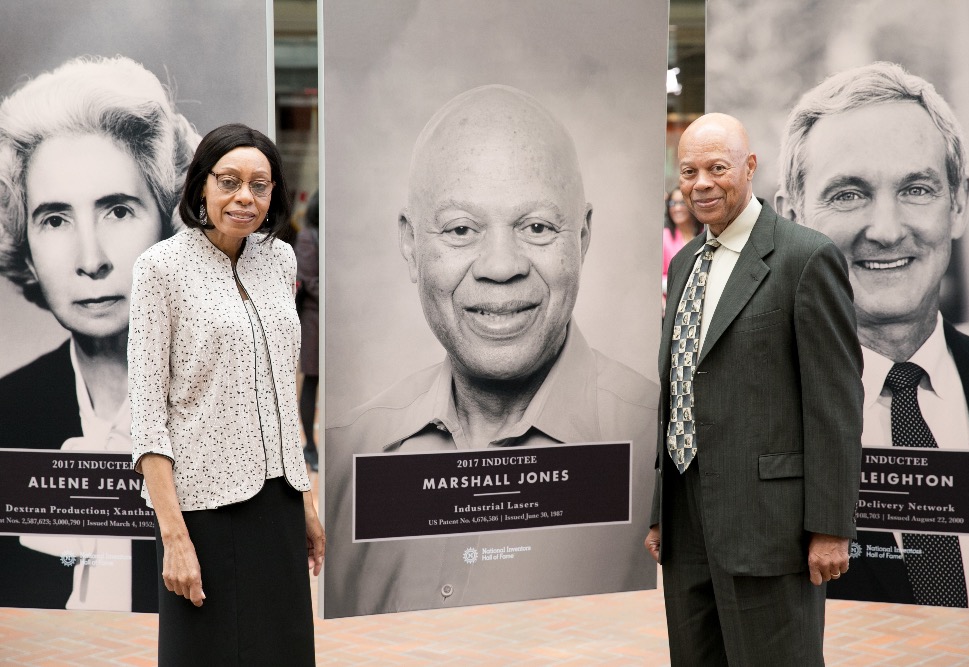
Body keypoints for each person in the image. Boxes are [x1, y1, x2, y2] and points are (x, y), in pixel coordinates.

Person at [325, 84, 659, 616]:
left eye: (537, 227)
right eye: (461, 229)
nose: (501, 266)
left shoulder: (661, 444)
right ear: (412, 245)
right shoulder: (347, 457)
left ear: (584, 237)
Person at [775, 61, 969, 609]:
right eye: (848, 195)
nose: (887, 229)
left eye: (917, 188)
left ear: (959, 204)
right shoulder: (746, 418)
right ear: (791, 220)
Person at [645, 112, 863, 666]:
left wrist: (832, 529)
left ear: (749, 167)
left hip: (769, 525)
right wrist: (659, 509)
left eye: (717, 168)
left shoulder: (804, 258)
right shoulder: (688, 260)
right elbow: (678, 388)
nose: (701, 183)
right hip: (687, 518)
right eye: (689, 170)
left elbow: (835, 406)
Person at [0, 55, 200, 612]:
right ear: (28, 248)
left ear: (169, 222)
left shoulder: (229, 407)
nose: (91, 260)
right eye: (55, 219)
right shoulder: (7, 414)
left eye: (117, 211)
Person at [128, 123, 324, 665]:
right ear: (201, 188)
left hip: (278, 501)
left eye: (260, 186)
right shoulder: (160, 269)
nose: (245, 197)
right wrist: (174, 536)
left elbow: (284, 386)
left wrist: (305, 498)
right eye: (230, 181)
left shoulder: (279, 259)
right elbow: (147, 414)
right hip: (204, 508)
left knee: (281, 652)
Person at [294, 191, 320, 471]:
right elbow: (308, 280)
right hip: (314, 321)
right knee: (311, 383)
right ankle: (310, 446)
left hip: (334, 322)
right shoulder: (308, 236)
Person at [663, 186, 702, 313]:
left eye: (682, 203)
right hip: (671, 309)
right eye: (672, 203)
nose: (677, 208)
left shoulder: (705, 235)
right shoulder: (664, 237)